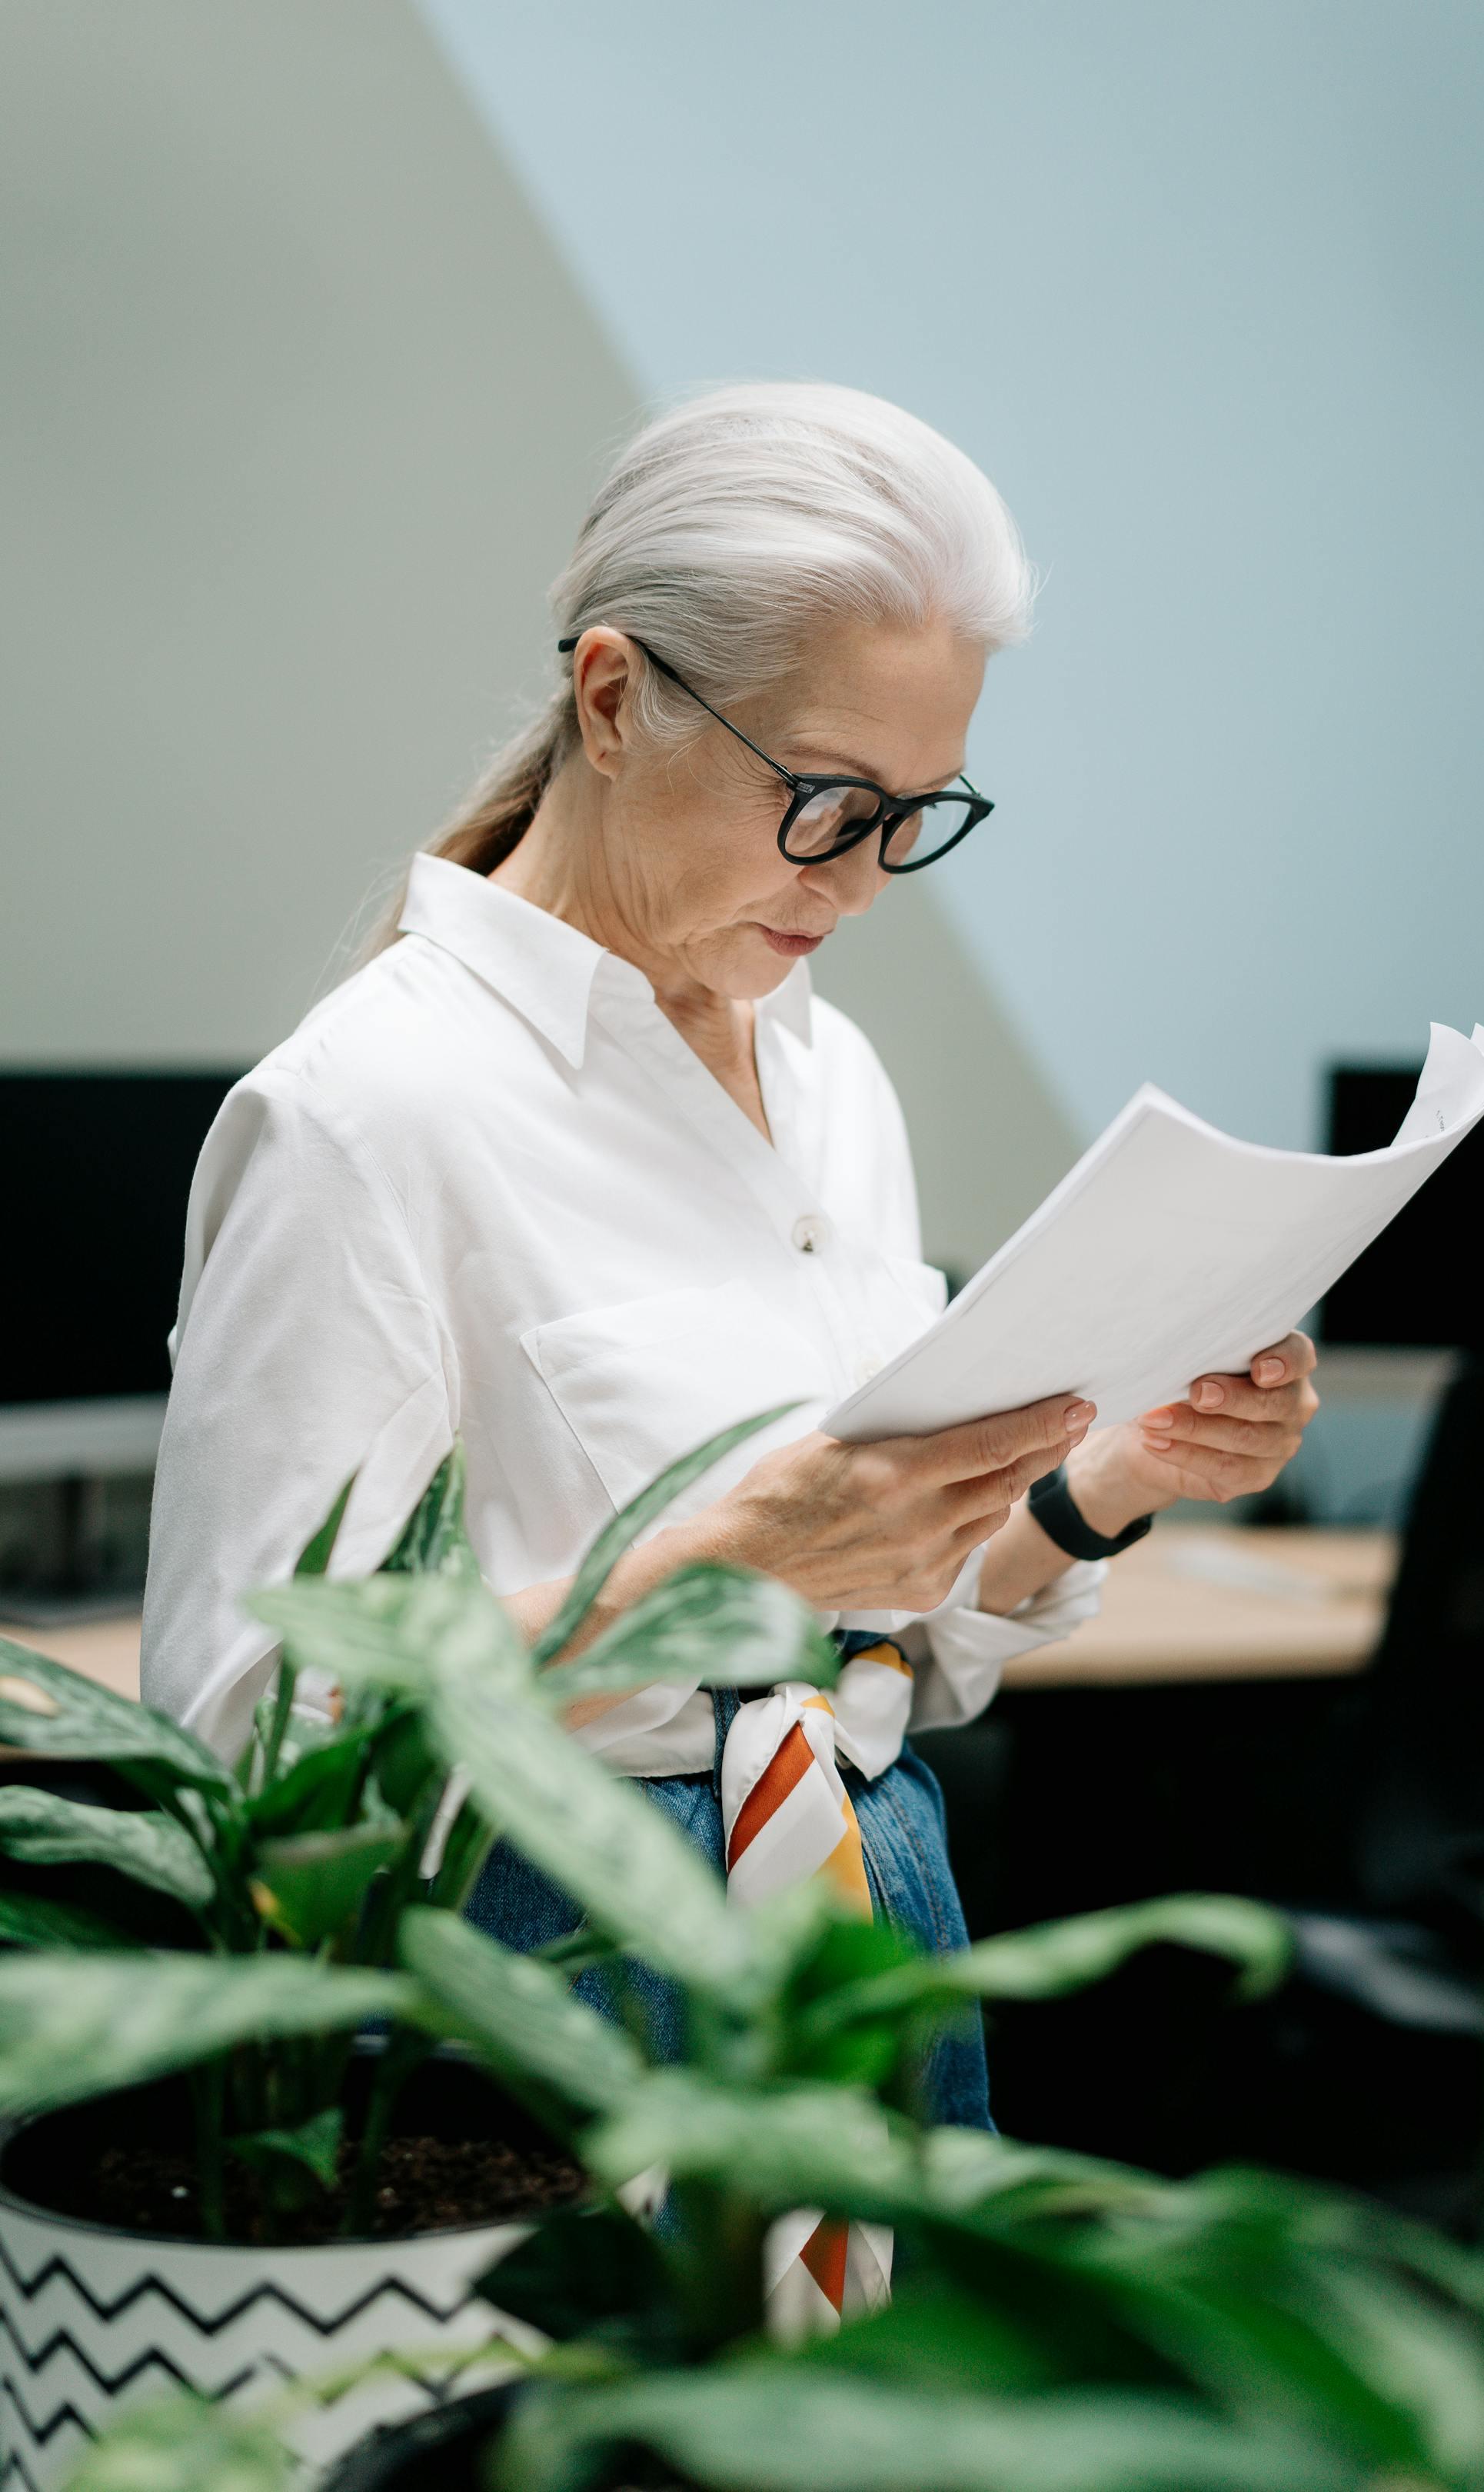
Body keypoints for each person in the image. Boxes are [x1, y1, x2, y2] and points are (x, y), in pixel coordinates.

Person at [142, 383, 1316, 2134]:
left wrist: (1095, 1484)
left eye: (920, 812)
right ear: (615, 701)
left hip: (871, 1918)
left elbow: (864, 1634)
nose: (861, 880)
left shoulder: (831, 1076)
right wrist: (718, 1557)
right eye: (826, 799)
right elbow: (249, 1738)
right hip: (545, 1989)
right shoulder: (369, 1112)